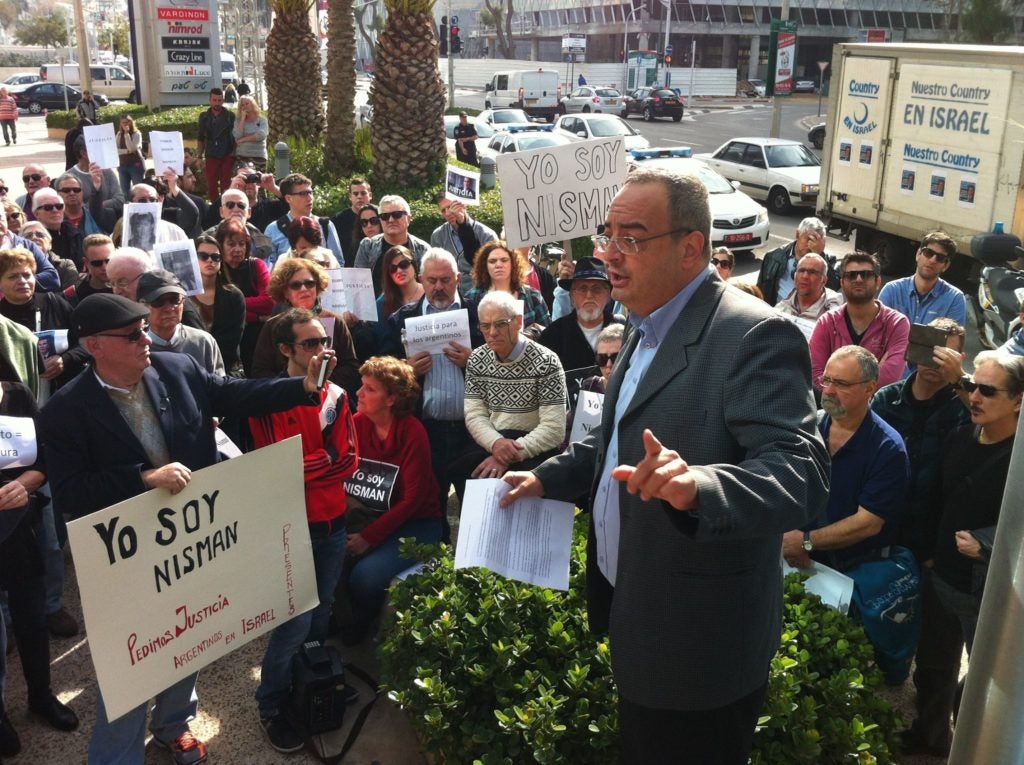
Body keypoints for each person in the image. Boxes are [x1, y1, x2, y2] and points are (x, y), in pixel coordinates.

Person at [501, 166, 829, 764]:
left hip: (700, 649)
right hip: (638, 613)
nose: (610, 255)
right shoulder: (644, 321)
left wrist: (701, 486)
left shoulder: (756, 334)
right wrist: (549, 476)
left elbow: (802, 472)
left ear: (691, 247)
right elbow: (618, 437)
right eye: (608, 235)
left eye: (632, 238)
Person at [38, 292, 335, 765]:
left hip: (193, 547)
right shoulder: (63, 413)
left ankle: (174, 726)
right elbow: (72, 492)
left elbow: (232, 393)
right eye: (131, 335)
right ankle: (117, 756)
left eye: (143, 330)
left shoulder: (175, 368)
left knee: (189, 637)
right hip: (130, 563)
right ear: (94, 345)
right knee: (133, 665)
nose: (145, 340)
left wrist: (301, 386)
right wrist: (141, 478)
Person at [900, 352, 1023, 758]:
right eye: (972, 387)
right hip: (942, 578)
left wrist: (985, 543)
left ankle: (974, 741)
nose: (974, 397)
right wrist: (930, 552)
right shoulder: (959, 436)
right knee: (933, 667)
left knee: (988, 678)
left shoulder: (1018, 461)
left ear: (1018, 400)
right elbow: (934, 498)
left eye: (988, 391)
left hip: (989, 589)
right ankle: (931, 737)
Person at [248, 308, 358, 753]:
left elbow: (349, 458)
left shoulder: (337, 395)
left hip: (333, 523)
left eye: (323, 342)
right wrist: (321, 463)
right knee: (292, 620)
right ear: (286, 351)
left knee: (323, 608)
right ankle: (271, 703)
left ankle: (309, 674)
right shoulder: (265, 398)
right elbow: (274, 467)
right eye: (310, 344)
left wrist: (308, 465)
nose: (321, 351)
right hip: (291, 525)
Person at [0, 381, 80, 761]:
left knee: (32, 620)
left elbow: (43, 463)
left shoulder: (16, 397)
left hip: (21, 531)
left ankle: (40, 696)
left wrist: (20, 485)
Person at [341, 356, 443, 645]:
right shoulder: (357, 424)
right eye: (361, 386)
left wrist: (368, 538)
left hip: (417, 524)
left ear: (392, 398)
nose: (358, 394)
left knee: (365, 577)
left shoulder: (413, 432)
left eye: (370, 389)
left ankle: (365, 624)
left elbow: (413, 500)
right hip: (368, 516)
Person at [782, 346, 910, 570]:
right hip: (790, 556)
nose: (829, 391)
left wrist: (806, 542)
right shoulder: (807, 426)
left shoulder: (888, 449)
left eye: (841, 384)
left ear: (869, 388)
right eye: (827, 380)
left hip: (850, 572)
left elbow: (867, 524)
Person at [389, 248, 481, 537]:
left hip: (474, 432)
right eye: (432, 280)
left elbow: (502, 364)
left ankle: (477, 576)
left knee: (477, 512)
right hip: (425, 431)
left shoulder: (479, 314)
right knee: (430, 510)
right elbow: (383, 371)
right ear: (420, 279)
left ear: (458, 278)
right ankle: (434, 576)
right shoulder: (401, 320)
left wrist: (474, 362)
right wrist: (407, 370)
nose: (439, 287)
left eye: (445, 280)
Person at [871, 318, 970, 561]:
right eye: (929, 349)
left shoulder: (966, 408)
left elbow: (990, 424)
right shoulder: (886, 400)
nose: (935, 362)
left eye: (945, 354)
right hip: (880, 524)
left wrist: (960, 381)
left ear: (960, 358)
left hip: (931, 536)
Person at [455, 290, 566, 482]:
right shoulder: (477, 359)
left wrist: (507, 455)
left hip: (534, 456)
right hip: (491, 446)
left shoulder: (547, 361)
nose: (492, 333)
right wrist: (496, 444)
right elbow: (474, 415)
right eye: (485, 326)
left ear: (518, 321)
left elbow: (554, 429)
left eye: (501, 324)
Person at [251, 257, 361, 398]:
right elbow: (261, 371)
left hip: (328, 399)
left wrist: (320, 384)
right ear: (285, 292)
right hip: (286, 402)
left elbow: (350, 365)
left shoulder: (335, 321)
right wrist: (295, 387)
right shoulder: (273, 326)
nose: (304, 289)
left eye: (310, 283)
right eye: (296, 285)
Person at [810, 251, 911, 390]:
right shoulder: (827, 322)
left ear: (878, 281)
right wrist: (868, 378)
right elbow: (816, 374)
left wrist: (836, 381)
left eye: (866, 274)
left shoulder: (897, 324)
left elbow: (890, 377)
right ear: (842, 282)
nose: (858, 279)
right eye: (851, 275)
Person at [879, 232, 967, 377]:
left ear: (946, 265)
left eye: (940, 257)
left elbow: (951, 348)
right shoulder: (891, 290)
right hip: (890, 376)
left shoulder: (954, 299)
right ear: (918, 254)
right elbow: (878, 338)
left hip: (928, 380)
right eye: (928, 253)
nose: (932, 260)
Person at [0, 248, 87, 394]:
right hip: (14, 402)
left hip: (61, 397)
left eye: (27, 275)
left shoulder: (55, 303)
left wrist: (65, 360)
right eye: (13, 277)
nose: (22, 281)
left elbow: (87, 342)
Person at [538, 255, 622, 404]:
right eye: (582, 288)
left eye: (597, 289)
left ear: (609, 295)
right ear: (571, 295)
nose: (589, 295)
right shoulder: (551, 336)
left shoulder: (625, 331)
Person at [139, 270, 226, 376]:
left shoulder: (203, 342)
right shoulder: (137, 347)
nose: (170, 308)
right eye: (159, 301)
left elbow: (219, 388)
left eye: (175, 300)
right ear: (142, 305)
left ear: (183, 301)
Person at [217, 218, 273, 375]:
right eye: (231, 244)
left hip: (256, 338)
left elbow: (269, 301)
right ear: (220, 245)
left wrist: (235, 307)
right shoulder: (216, 268)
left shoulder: (257, 265)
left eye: (242, 244)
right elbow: (218, 308)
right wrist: (257, 316)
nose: (237, 249)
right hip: (227, 337)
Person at [464, 240, 550, 336]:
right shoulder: (472, 298)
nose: (498, 265)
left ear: (513, 264)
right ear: (485, 266)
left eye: (504, 260)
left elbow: (549, 334)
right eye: (492, 261)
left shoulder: (533, 296)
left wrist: (533, 333)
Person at [190, 234, 246, 374]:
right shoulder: (182, 296)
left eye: (215, 257)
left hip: (226, 368)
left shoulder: (234, 296)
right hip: (190, 367)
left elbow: (231, 341)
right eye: (203, 256)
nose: (210, 261)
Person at [264, 173, 344, 267]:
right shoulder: (273, 229)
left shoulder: (325, 225)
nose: (309, 198)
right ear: (288, 198)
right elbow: (268, 267)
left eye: (310, 192)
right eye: (303, 194)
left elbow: (339, 263)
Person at [353, 195, 429, 294]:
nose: (391, 220)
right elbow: (357, 285)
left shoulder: (423, 249)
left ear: (409, 218)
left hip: (414, 307)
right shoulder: (368, 246)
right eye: (385, 216)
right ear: (380, 220)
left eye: (397, 214)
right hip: (375, 307)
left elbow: (429, 286)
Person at [756, 216, 838, 305]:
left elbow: (833, 287)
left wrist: (819, 255)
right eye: (809, 239)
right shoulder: (773, 257)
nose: (811, 245)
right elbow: (759, 292)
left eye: (816, 241)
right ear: (797, 234)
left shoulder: (827, 260)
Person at [428, 196, 496, 279]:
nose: (447, 213)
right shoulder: (438, 235)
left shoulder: (486, 235)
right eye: (443, 210)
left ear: (464, 205)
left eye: (450, 207)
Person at [201, 187, 273, 261]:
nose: (236, 209)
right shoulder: (206, 238)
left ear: (249, 212)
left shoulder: (262, 241)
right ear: (221, 212)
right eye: (230, 205)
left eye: (241, 205)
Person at [774, 252, 843, 322]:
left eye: (812, 272)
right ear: (795, 277)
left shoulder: (835, 311)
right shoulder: (780, 310)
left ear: (824, 280)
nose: (805, 276)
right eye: (801, 271)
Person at [196, 88, 236, 202]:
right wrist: (199, 156)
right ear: (210, 100)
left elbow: (236, 136)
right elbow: (200, 137)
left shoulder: (230, 116)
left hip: (227, 153)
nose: (217, 103)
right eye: (214, 100)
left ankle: (227, 204)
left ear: (223, 100)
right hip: (211, 153)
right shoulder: (203, 116)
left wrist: (234, 153)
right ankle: (214, 207)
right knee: (211, 184)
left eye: (219, 100)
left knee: (226, 184)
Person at [32, 188, 85, 271]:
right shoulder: (32, 238)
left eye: (59, 206)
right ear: (36, 213)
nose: (55, 210)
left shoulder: (76, 234)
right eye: (48, 207)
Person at [329, 178, 373, 266]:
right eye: (356, 194)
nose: (359, 196)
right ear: (350, 196)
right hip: (347, 271)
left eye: (363, 193)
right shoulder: (338, 220)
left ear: (370, 195)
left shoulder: (380, 216)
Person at [21, 221, 77, 290]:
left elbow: (70, 296)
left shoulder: (65, 265)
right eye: (28, 236)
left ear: (50, 244)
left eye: (40, 235)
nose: (34, 238)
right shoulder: (12, 268)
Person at [64, 233, 115, 306]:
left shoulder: (127, 288)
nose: (105, 267)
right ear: (86, 263)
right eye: (97, 263)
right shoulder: (75, 294)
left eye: (109, 261)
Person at [54, 171, 105, 237]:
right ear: (58, 194)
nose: (72, 193)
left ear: (82, 192)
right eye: (66, 190)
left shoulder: (96, 216)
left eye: (76, 190)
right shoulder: (54, 220)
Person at [231, 95, 268, 171]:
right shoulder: (238, 121)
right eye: (242, 105)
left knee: (258, 181)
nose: (245, 106)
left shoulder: (262, 120)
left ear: (252, 104)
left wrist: (242, 140)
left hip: (258, 156)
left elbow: (261, 135)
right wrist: (242, 119)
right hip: (242, 156)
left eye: (247, 103)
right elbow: (237, 136)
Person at [115, 114, 146, 197]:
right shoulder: (118, 134)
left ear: (131, 123)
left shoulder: (137, 134)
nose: (124, 124)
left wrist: (126, 134)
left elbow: (132, 148)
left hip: (135, 165)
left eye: (126, 122)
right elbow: (115, 149)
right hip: (122, 165)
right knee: (125, 191)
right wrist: (127, 151)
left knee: (138, 190)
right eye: (122, 123)